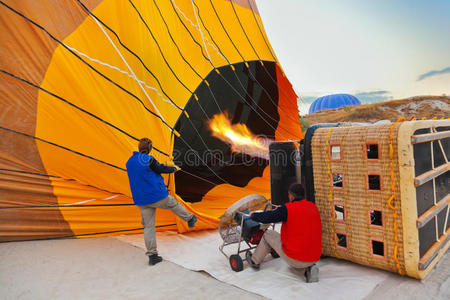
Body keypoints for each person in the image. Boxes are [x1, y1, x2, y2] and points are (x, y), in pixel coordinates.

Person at [126, 138, 197, 265]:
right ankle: (190, 218)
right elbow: (160, 169)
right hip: (156, 195)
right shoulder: (148, 160)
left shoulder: (129, 162)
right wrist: (173, 169)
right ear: (150, 149)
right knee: (174, 204)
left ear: (138, 147)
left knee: (148, 227)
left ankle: (152, 256)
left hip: (141, 200)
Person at [248, 183, 321, 282]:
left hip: (295, 258)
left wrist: (253, 215)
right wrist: (281, 210)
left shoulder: (287, 209)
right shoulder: (313, 206)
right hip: (314, 257)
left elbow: (267, 217)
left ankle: (254, 261)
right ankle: (308, 268)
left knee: (268, 234)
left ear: (291, 196)